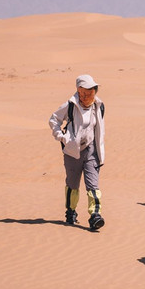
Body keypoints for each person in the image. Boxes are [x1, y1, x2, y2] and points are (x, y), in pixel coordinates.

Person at [49, 75, 107, 231]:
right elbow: (53, 120)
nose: (85, 96)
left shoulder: (99, 106)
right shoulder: (70, 105)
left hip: (92, 151)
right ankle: (71, 212)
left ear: (95, 91)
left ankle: (95, 215)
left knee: (93, 184)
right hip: (73, 151)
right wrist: (61, 137)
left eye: (89, 93)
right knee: (73, 184)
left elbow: (99, 129)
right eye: (82, 93)